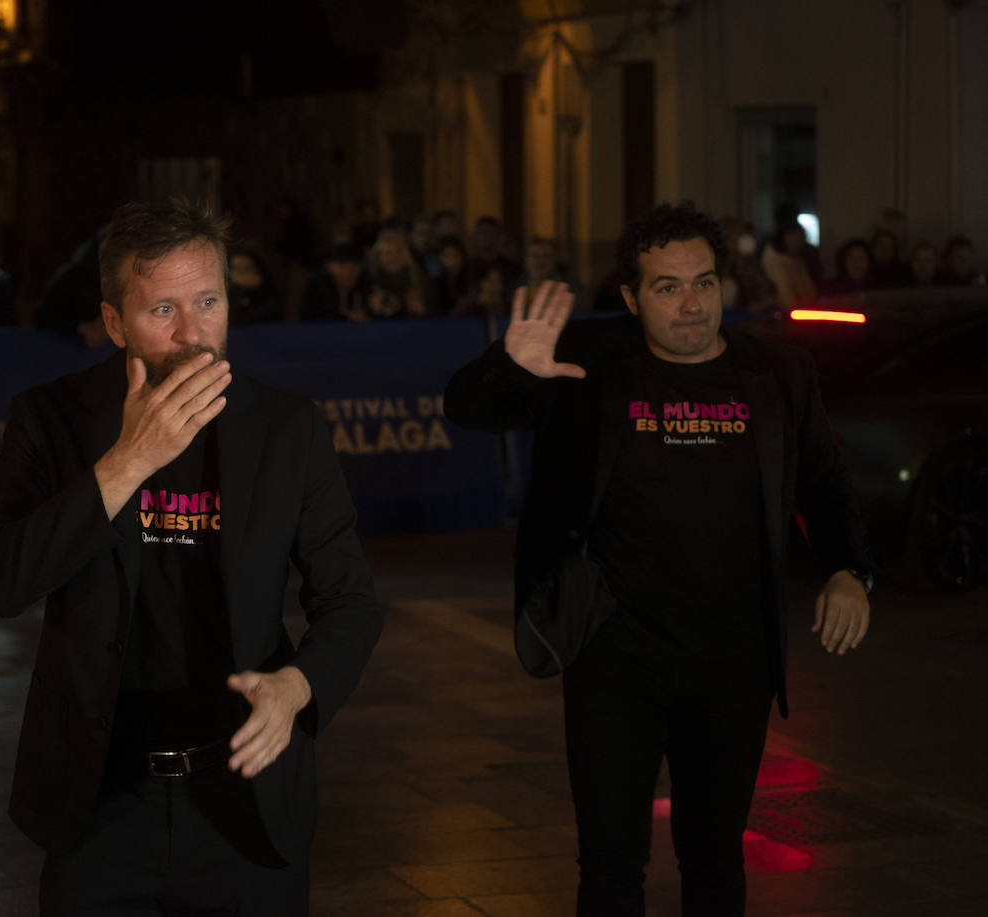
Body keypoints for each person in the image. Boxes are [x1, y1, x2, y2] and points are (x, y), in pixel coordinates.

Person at [444, 202, 872, 917]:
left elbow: (825, 482)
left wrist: (848, 570)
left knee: (714, 858)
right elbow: (467, 408)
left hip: (732, 667)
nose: (691, 303)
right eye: (668, 288)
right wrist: (508, 367)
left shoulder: (778, 373)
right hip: (614, 663)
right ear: (631, 297)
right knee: (610, 863)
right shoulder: (589, 362)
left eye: (703, 282)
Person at [0, 198, 383, 913]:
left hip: (243, 801)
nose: (194, 334)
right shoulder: (51, 418)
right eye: (163, 309)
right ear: (112, 322)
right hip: (99, 802)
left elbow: (349, 599)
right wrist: (127, 462)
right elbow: (2, 581)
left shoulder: (288, 429)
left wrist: (299, 686)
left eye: (208, 302)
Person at [364, 227, 428, 318]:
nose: (393, 258)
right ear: (378, 257)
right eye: (387, 253)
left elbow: (439, 314)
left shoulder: (420, 280)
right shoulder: (369, 282)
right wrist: (370, 313)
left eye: (398, 252)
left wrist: (422, 311)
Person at [297, 242, 366, 322]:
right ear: (329, 266)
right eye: (342, 265)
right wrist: (346, 319)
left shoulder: (365, 284)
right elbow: (308, 318)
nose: (349, 271)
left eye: (355, 265)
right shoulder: (316, 286)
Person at [760, 220, 816, 306]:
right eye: (795, 237)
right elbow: (787, 301)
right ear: (783, 238)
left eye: (801, 237)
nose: (799, 242)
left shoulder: (798, 260)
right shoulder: (775, 263)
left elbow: (810, 293)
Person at [226, 247, 285, 325]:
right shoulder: (228, 294)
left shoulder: (270, 297)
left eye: (246, 269)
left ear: (259, 271)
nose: (239, 275)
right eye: (235, 269)